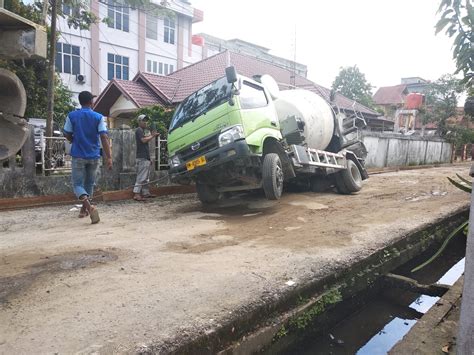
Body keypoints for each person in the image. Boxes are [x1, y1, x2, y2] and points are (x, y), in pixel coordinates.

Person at [63, 91, 112, 224]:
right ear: (91, 102)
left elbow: (66, 133)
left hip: (78, 155)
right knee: (89, 184)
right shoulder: (98, 117)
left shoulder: (72, 115)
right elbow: (104, 136)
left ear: (80, 102)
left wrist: (72, 139)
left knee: (78, 185)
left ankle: (87, 208)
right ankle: (84, 210)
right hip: (94, 155)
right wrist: (109, 157)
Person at [133, 114, 159, 201]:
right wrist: (153, 135)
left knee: (146, 177)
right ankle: (136, 194)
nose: (145, 122)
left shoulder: (143, 131)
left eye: (146, 120)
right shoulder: (139, 130)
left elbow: (145, 142)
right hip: (142, 157)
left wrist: (149, 158)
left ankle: (145, 193)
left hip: (145, 157)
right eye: (143, 120)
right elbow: (143, 141)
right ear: (139, 122)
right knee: (141, 176)